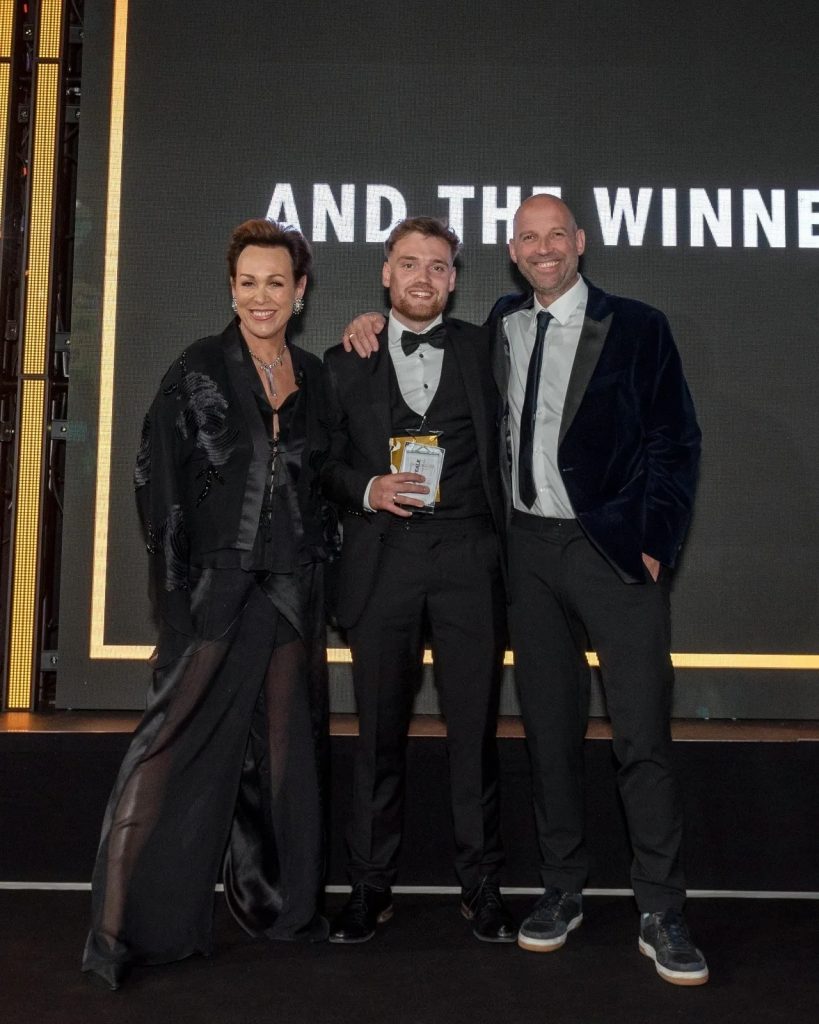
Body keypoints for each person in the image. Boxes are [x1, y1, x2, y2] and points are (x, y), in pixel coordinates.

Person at [341, 195, 707, 986]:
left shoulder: (637, 325)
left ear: (579, 242)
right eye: (528, 239)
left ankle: (660, 908)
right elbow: (403, 331)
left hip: (610, 555)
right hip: (527, 559)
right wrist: (362, 324)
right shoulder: (498, 328)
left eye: (555, 236)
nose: (543, 249)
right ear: (512, 253)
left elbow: (675, 441)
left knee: (640, 735)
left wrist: (652, 546)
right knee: (548, 733)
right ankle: (562, 890)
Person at [82, 219, 332, 989]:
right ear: (232, 288)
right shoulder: (196, 369)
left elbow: (326, 481)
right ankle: (122, 931)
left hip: (290, 589)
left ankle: (283, 909)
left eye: (276, 283)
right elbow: (155, 486)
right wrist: (175, 597)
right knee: (167, 750)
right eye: (249, 282)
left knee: (288, 754)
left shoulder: (316, 375)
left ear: (298, 292)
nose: (262, 297)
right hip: (214, 591)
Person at [321, 217, 516, 944]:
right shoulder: (344, 360)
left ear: (455, 279)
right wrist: (364, 488)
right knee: (376, 737)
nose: (423, 278)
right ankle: (369, 888)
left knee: (474, 737)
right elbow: (322, 463)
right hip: (383, 562)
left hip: (470, 560)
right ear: (385, 273)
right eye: (409, 264)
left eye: (438, 266)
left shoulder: (487, 347)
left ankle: (483, 888)